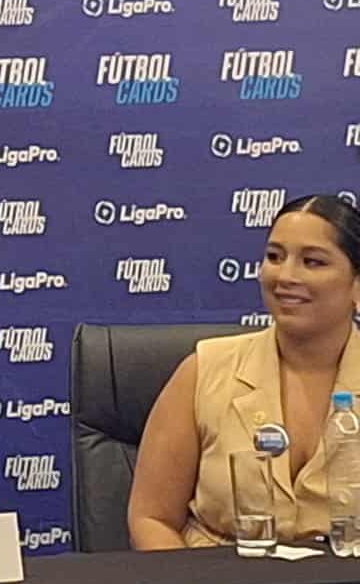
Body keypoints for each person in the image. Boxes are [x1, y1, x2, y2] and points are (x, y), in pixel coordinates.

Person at [128, 193, 360, 548]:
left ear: (356, 284)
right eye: (275, 257)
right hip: (216, 576)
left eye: (312, 262)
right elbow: (151, 518)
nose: (285, 275)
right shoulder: (204, 370)